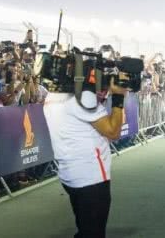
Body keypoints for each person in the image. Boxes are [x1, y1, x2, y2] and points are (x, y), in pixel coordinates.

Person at [43, 75, 129, 238]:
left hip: (70, 174)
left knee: (85, 229)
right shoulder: (83, 99)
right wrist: (118, 97)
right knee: (93, 232)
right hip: (91, 177)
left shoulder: (52, 96)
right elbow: (113, 131)